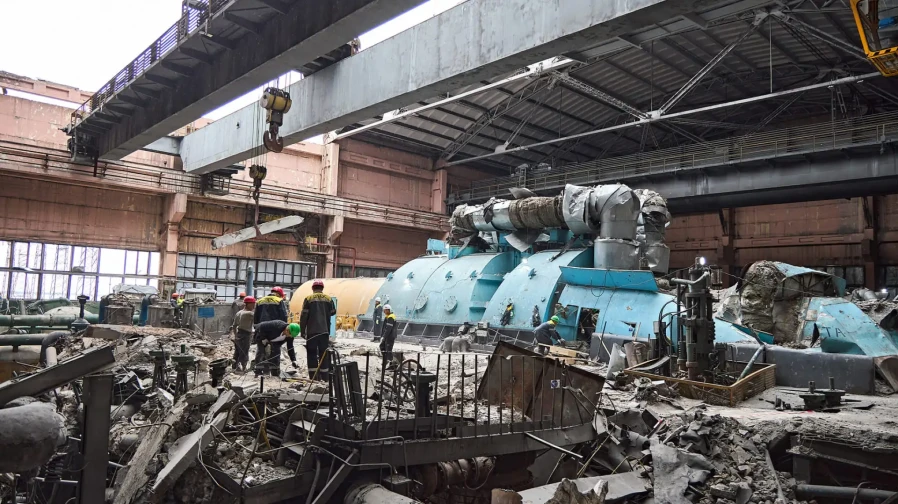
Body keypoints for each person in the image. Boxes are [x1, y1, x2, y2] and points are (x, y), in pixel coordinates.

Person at [300, 279, 336, 380]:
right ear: (322, 288)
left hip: (312, 332)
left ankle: (314, 377)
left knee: (311, 353)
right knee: (324, 354)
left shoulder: (308, 298)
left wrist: (303, 331)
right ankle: (325, 376)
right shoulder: (328, 299)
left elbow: (304, 316)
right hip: (324, 331)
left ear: (313, 288)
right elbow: (333, 312)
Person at [254, 287, 296, 367]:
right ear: (279, 294)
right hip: (276, 330)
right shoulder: (279, 301)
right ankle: (274, 371)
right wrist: (284, 328)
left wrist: (257, 331)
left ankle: (259, 371)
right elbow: (284, 316)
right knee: (275, 352)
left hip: (262, 330)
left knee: (261, 351)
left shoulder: (260, 301)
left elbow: (256, 317)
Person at [230, 296, 256, 371]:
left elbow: (234, 326)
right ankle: (241, 369)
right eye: (253, 304)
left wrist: (235, 336)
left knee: (237, 352)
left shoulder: (239, 313)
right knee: (244, 353)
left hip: (239, 334)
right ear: (247, 304)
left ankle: (234, 367)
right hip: (246, 334)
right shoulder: (250, 314)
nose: (254, 306)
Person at [379, 304, 398, 369]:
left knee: (388, 349)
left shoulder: (391, 317)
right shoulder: (388, 316)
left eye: (384, 310)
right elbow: (385, 328)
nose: (384, 312)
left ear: (387, 310)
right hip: (387, 336)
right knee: (382, 346)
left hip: (390, 336)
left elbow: (388, 329)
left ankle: (391, 363)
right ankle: (386, 359)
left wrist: (384, 337)